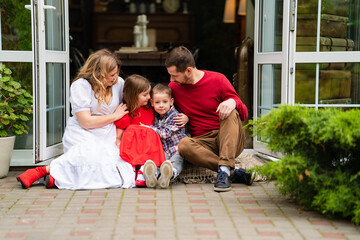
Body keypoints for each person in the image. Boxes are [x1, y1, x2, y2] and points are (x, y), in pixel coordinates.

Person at [16, 49, 135, 190]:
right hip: (83, 131)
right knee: (87, 155)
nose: (115, 78)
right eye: (111, 75)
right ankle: (41, 170)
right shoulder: (81, 86)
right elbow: (86, 122)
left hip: (108, 132)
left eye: (116, 74)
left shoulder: (118, 83)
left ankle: (53, 178)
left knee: (110, 164)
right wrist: (114, 116)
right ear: (99, 75)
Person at [165, 46, 256, 192]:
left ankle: (226, 168)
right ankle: (231, 171)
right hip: (203, 144)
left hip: (228, 139)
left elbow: (244, 114)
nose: (171, 79)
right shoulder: (174, 88)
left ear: (188, 71)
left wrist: (233, 102)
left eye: (174, 75)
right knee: (183, 145)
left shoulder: (218, 79)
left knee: (230, 111)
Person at [114, 74, 173, 188]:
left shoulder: (150, 108)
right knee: (133, 130)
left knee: (150, 132)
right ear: (133, 95)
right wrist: (118, 140)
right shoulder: (126, 111)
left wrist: (185, 118)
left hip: (147, 143)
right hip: (133, 142)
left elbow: (166, 113)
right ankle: (135, 171)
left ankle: (144, 171)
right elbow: (120, 128)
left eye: (149, 94)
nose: (148, 98)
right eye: (145, 95)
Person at [146, 83, 187, 184]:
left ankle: (170, 174)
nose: (161, 105)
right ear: (152, 103)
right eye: (157, 102)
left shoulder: (175, 116)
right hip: (165, 149)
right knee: (159, 161)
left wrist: (149, 128)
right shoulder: (156, 115)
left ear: (171, 101)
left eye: (165, 102)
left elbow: (165, 134)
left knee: (176, 162)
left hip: (178, 148)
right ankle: (154, 176)